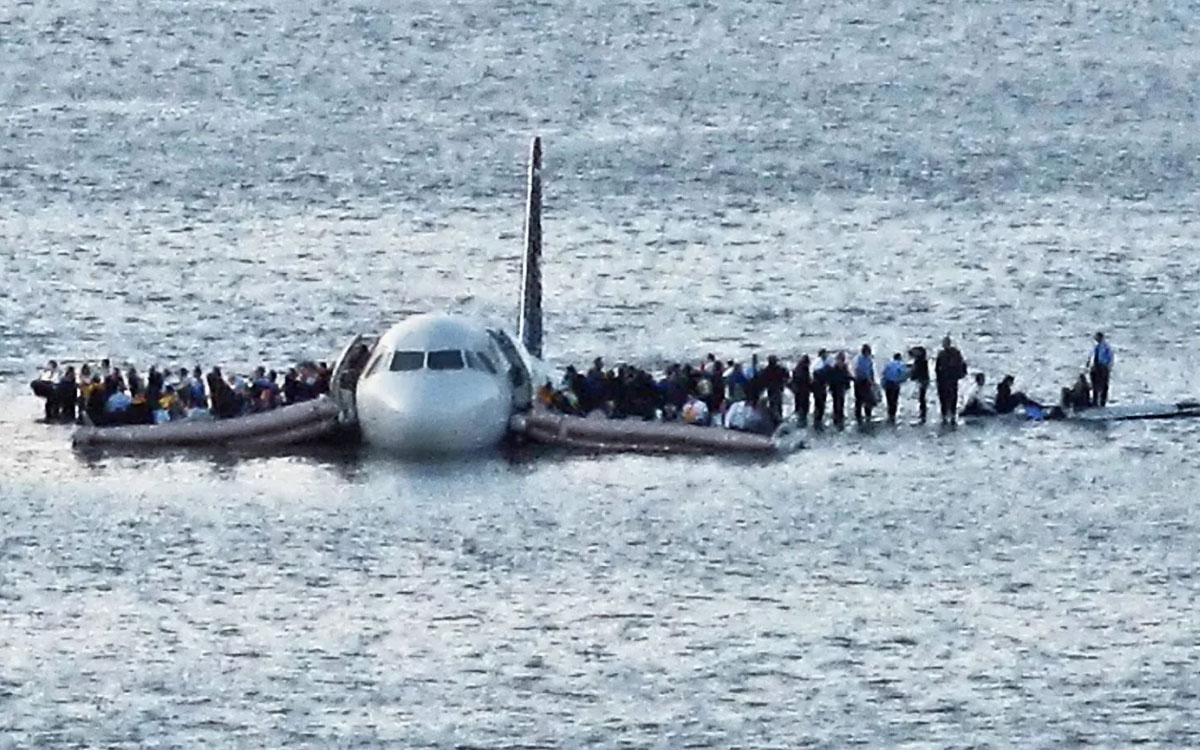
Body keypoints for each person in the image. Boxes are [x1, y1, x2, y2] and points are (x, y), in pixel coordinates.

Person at [934, 336, 968, 425]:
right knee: (945, 397)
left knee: (951, 396)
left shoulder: (953, 353)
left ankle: (950, 414)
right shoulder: (943, 353)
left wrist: (961, 373)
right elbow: (937, 367)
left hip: (951, 378)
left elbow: (962, 364)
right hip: (944, 379)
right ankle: (945, 414)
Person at [826, 352, 852, 429]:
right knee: (836, 403)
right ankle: (836, 417)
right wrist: (830, 387)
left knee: (841, 402)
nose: (840, 362)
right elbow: (830, 379)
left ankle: (840, 416)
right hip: (835, 388)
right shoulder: (833, 368)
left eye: (842, 360)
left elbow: (847, 376)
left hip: (842, 387)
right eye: (839, 360)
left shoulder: (844, 367)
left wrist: (848, 384)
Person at [881, 353, 909, 423]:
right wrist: (902, 380)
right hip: (895, 384)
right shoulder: (901, 364)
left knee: (889, 399)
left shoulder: (889, 364)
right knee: (894, 399)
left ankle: (889, 413)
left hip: (887, 383)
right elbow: (904, 374)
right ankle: (892, 415)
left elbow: (883, 373)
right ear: (900, 358)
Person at [760, 355, 788, 424]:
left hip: (771, 390)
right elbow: (787, 376)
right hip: (778, 389)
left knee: (773, 405)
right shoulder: (780, 369)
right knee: (778, 405)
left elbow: (762, 380)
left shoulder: (766, 370)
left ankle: (774, 421)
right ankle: (779, 420)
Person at [852, 344, 876, 424]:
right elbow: (863, 371)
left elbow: (871, 370)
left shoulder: (867, 359)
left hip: (864, 381)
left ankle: (865, 415)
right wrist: (870, 380)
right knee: (861, 399)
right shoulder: (860, 359)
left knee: (864, 400)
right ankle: (860, 416)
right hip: (861, 381)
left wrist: (873, 379)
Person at [1089, 332, 1114, 407]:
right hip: (1096, 366)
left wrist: (1108, 366)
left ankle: (1102, 401)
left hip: (1103, 366)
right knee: (1095, 383)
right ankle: (1095, 400)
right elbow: (1092, 356)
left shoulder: (1106, 347)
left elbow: (1110, 357)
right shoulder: (1095, 347)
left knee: (1103, 384)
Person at [789, 355, 812, 425]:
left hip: (799, 391)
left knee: (799, 406)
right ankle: (802, 422)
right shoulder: (803, 369)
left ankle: (800, 420)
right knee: (803, 407)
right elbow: (805, 380)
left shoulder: (798, 368)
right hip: (803, 391)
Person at [811, 349, 830, 429]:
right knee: (820, 404)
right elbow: (820, 374)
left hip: (818, 387)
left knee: (818, 404)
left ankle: (817, 420)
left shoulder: (817, 362)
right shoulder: (820, 363)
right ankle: (818, 421)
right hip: (819, 387)